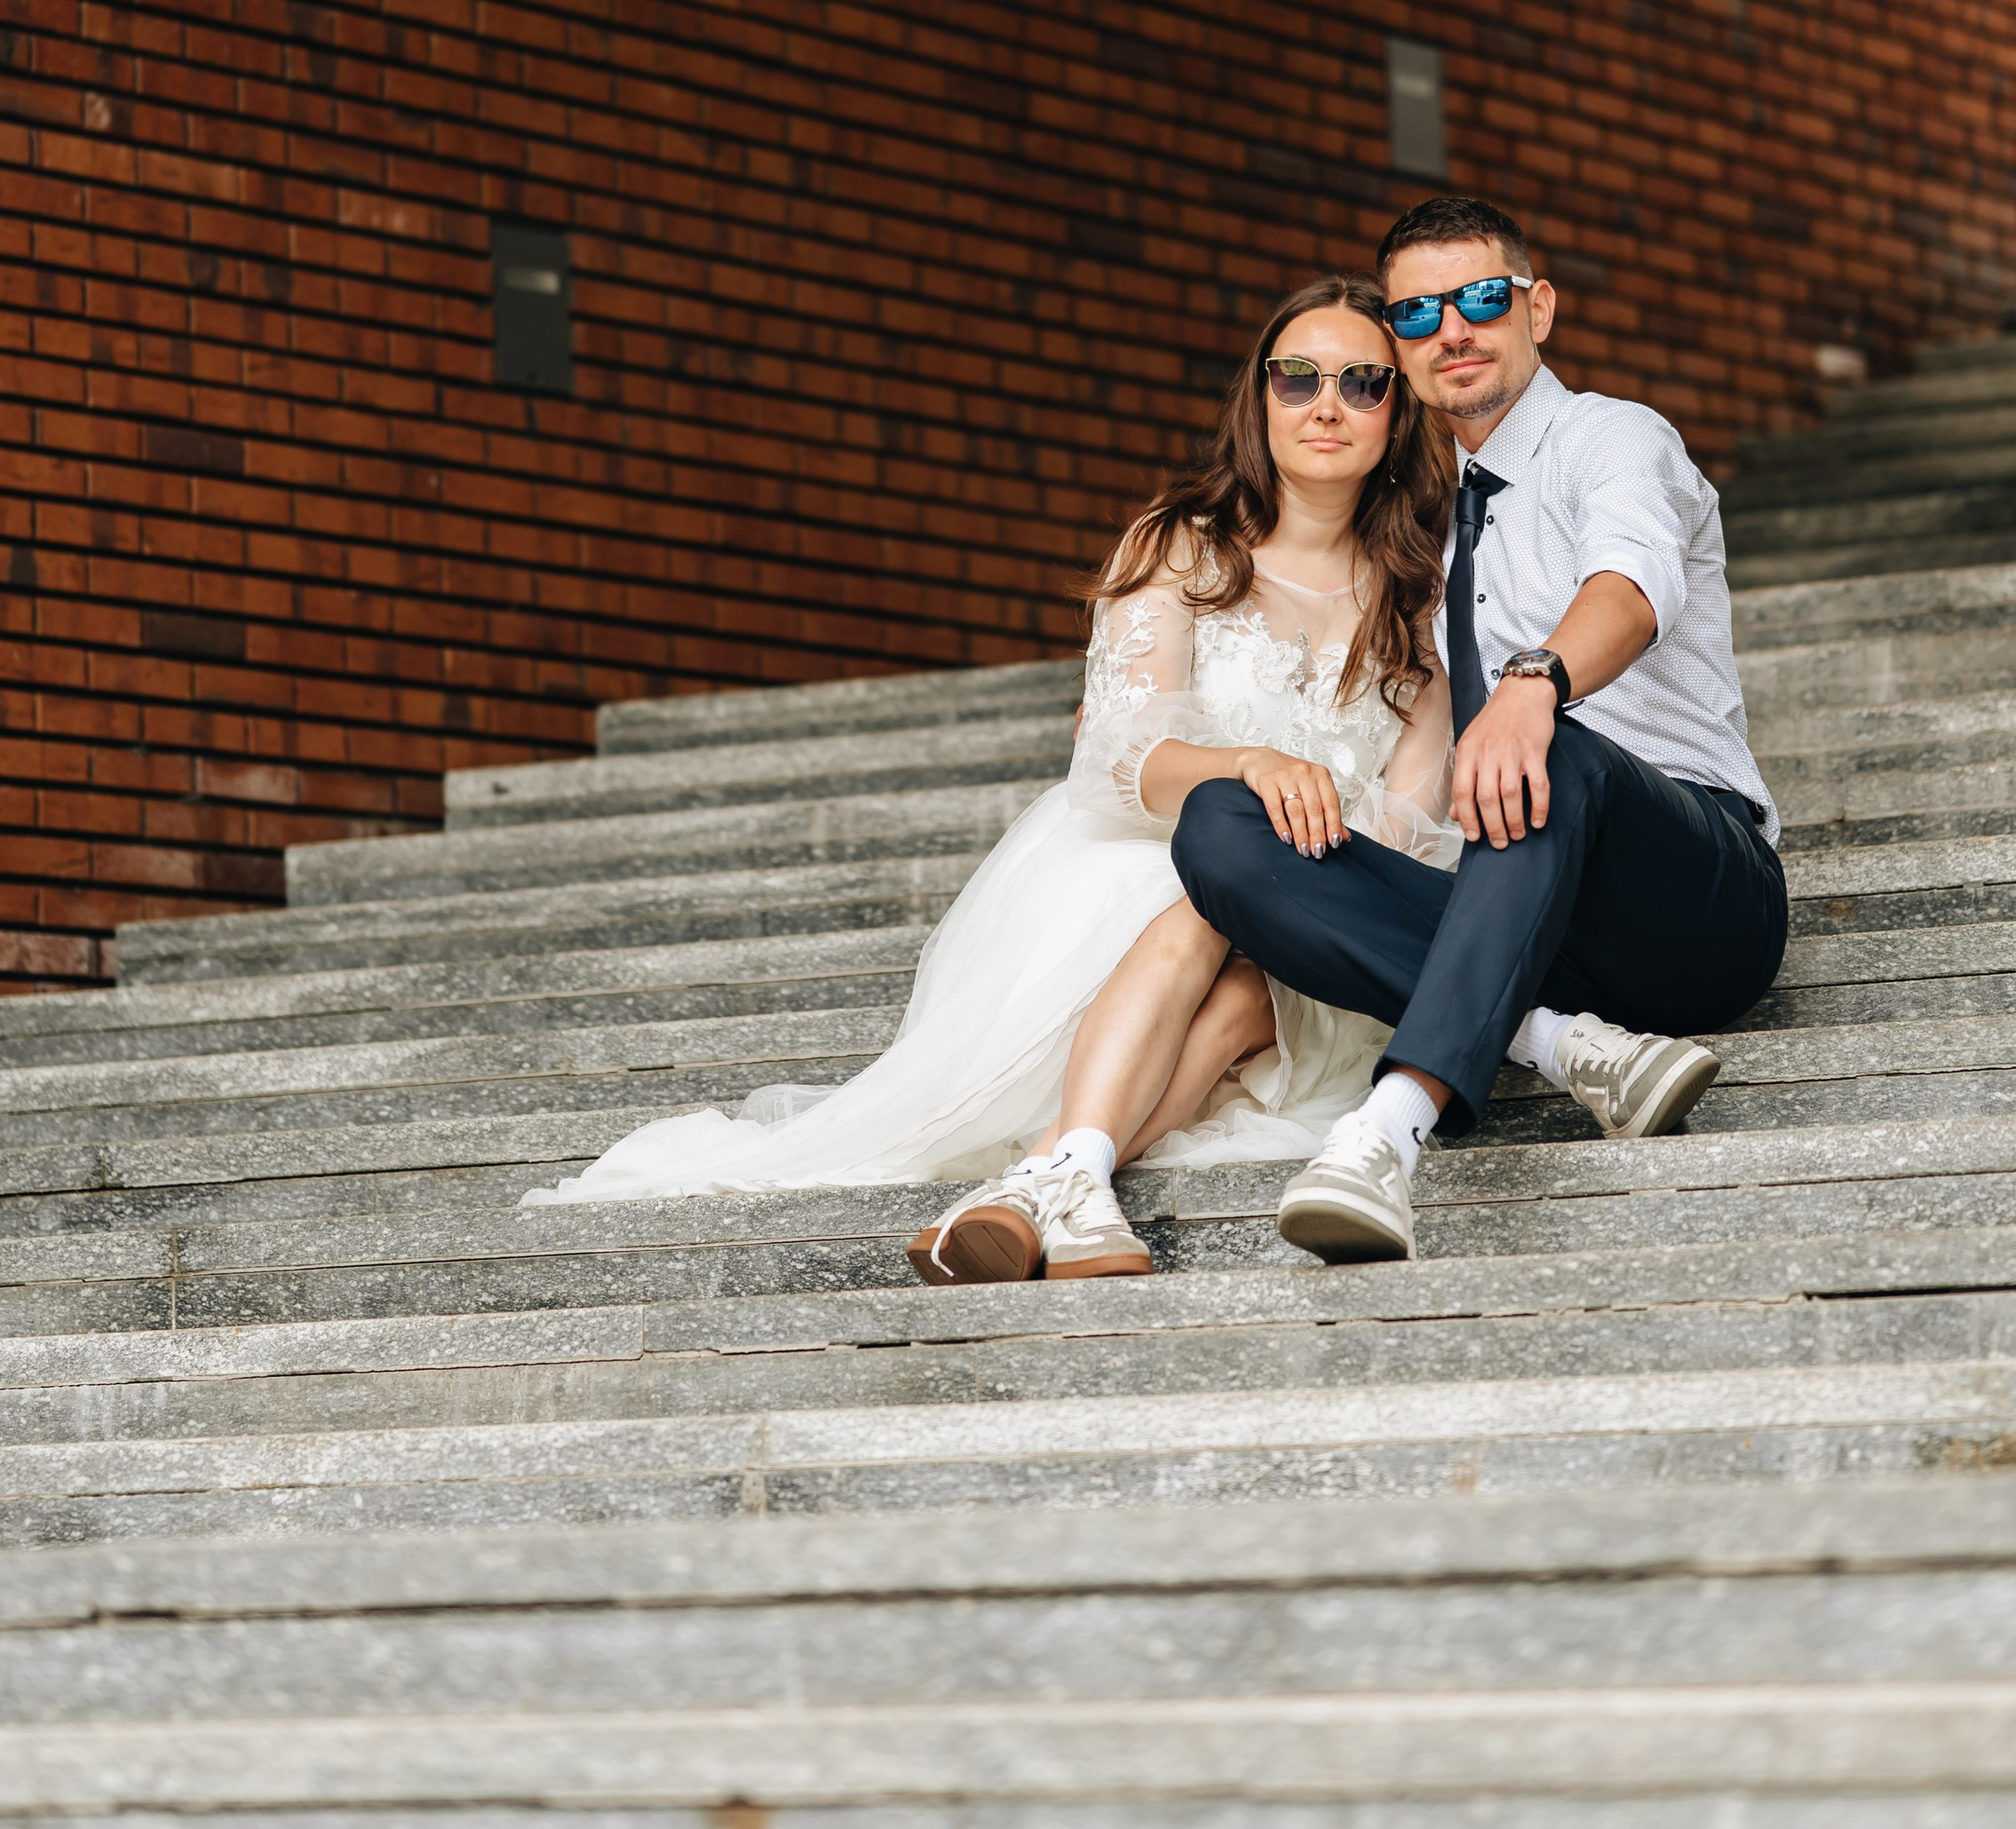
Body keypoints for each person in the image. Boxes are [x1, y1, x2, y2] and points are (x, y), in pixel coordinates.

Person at [525, 276, 1462, 1284]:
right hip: (1142, 863)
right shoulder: (1181, 541)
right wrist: (1250, 765)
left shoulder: (1418, 603)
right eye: (1298, 376)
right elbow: (1115, 755)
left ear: (1397, 411)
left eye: (1363, 382)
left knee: (1247, 984)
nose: (1327, 404)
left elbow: (1408, 826)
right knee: (1209, 909)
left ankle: (1047, 1177)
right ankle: (1060, 1170)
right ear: (1260, 395)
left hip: (1310, 917)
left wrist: (1308, 876)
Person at [1171, 191, 1787, 1265]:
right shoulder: (1422, 514)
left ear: (1536, 309)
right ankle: (1566, 1045)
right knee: (1222, 824)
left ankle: (1386, 1131)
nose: (1450, 329)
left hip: (1694, 888)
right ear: (1400, 348)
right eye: (1417, 314)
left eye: (1482, 298)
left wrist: (1535, 682)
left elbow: (1630, 580)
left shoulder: (1612, 438)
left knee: (1542, 750)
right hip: (1528, 915)